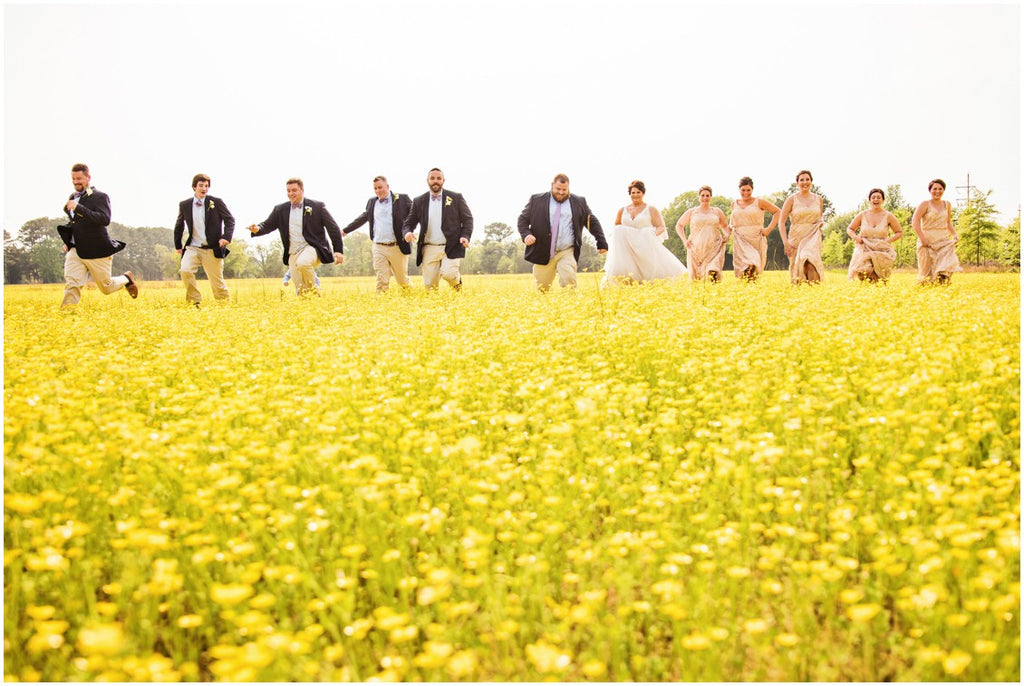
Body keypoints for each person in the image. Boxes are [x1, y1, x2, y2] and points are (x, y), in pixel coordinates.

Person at [56, 163, 138, 306]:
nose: (76, 182)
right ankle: (67, 316)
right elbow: (75, 223)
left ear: (88, 177)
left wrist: (78, 208)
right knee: (72, 284)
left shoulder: (100, 196)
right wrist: (68, 241)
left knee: (107, 288)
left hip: (97, 250)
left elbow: (104, 219)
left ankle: (126, 278)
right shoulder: (72, 197)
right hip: (76, 250)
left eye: (79, 178)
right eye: (73, 179)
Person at [248, 178, 344, 295]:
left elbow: (333, 228)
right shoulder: (280, 209)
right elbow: (267, 225)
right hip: (293, 252)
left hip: (312, 248)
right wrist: (257, 228)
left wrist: (338, 250)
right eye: (288, 191)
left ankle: (315, 292)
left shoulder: (317, 206)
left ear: (302, 190)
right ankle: (311, 305)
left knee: (303, 263)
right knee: (300, 290)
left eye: (294, 190)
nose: (291, 193)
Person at [518, 173, 608, 290]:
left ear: (568, 187)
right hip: (542, 250)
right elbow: (522, 220)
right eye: (558, 189)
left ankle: (571, 306)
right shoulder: (537, 200)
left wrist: (601, 241)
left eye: (564, 190)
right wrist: (526, 235)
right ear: (552, 185)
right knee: (542, 288)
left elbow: (592, 221)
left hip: (567, 250)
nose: (561, 192)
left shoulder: (579, 201)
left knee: (569, 280)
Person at [402, 168, 473, 290]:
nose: (436, 181)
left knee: (449, 274)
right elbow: (409, 222)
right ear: (427, 180)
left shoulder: (456, 197)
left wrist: (465, 236)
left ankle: (457, 283)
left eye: (439, 178)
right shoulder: (419, 201)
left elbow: (468, 219)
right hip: (429, 247)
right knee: (430, 287)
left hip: (451, 245)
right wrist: (407, 232)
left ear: (443, 181)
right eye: (432, 178)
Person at [601, 180, 681, 285]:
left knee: (650, 273)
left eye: (638, 192)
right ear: (629, 194)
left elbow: (661, 227)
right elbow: (616, 226)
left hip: (645, 246)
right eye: (633, 193)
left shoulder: (651, 209)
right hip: (627, 249)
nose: (635, 195)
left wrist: (651, 235)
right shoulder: (622, 210)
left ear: (643, 193)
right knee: (624, 272)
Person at [342, 175, 413, 292]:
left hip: (397, 246)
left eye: (380, 187)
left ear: (387, 186)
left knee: (402, 281)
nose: (378, 191)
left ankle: (411, 299)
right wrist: (345, 230)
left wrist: (410, 230)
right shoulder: (372, 202)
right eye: (375, 188)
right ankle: (382, 306)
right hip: (378, 246)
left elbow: (414, 215)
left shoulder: (402, 199)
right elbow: (363, 217)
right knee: (381, 280)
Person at [173, 173, 235, 306]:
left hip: (212, 249)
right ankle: (194, 301)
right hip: (193, 247)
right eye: (201, 185)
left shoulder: (216, 202)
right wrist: (178, 245)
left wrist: (226, 237)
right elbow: (179, 225)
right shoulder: (185, 204)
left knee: (217, 283)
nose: (204, 189)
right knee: (185, 270)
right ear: (194, 187)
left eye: (206, 186)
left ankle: (225, 307)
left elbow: (230, 220)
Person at [778, 170, 826, 284]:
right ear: (797, 183)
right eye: (802, 180)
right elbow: (781, 222)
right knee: (798, 268)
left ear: (811, 181)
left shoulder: (818, 199)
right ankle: (800, 297)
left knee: (810, 262)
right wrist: (786, 242)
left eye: (807, 179)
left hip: (813, 237)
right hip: (797, 235)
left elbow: (819, 217)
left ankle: (814, 294)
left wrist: (821, 222)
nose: (805, 182)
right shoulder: (792, 199)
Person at [729, 177, 780, 281]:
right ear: (739, 190)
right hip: (740, 240)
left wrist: (768, 229)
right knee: (743, 269)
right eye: (743, 190)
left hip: (755, 239)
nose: (746, 193)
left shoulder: (759, 202)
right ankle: (745, 293)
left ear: (752, 189)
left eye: (748, 190)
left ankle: (753, 290)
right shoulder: (734, 204)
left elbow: (778, 212)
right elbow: (732, 220)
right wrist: (730, 228)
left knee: (753, 265)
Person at [847, 188, 904, 282]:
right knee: (864, 271)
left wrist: (888, 240)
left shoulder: (888, 216)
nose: (876, 199)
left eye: (878, 197)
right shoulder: (863, 214)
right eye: (873, 197)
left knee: (879, 277)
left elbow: (899, 232)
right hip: (864, 247)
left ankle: (878, 294)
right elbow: (850, 229)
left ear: (883, 200)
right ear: (869, 200)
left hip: (882, 248)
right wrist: (856, 238)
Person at [911, 179, 961, 285]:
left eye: (940, 189)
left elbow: (948, 222)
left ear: (944, 190)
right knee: (926, 274)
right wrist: (922, 238)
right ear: (930, 190)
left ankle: (943, 296)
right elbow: (915, 221)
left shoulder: (947, 204)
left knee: (944, 270)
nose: (937, 191)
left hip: (943, 241)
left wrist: (954, 234)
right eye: (934, 189)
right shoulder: (925, 204)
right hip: (927, 241)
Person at [675, 186, 730, 282]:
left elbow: (725, 225)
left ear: (711, 197)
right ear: (699, 197)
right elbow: (679, 225)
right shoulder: (692, 212)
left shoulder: (717, 211)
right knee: (696, 279)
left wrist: (727, 235)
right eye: (703, 195)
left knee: (713, 272)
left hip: (714, 247)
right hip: (695, 248)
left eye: (707, 195)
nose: (705, 198)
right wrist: (684, 240)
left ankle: (715, 294)